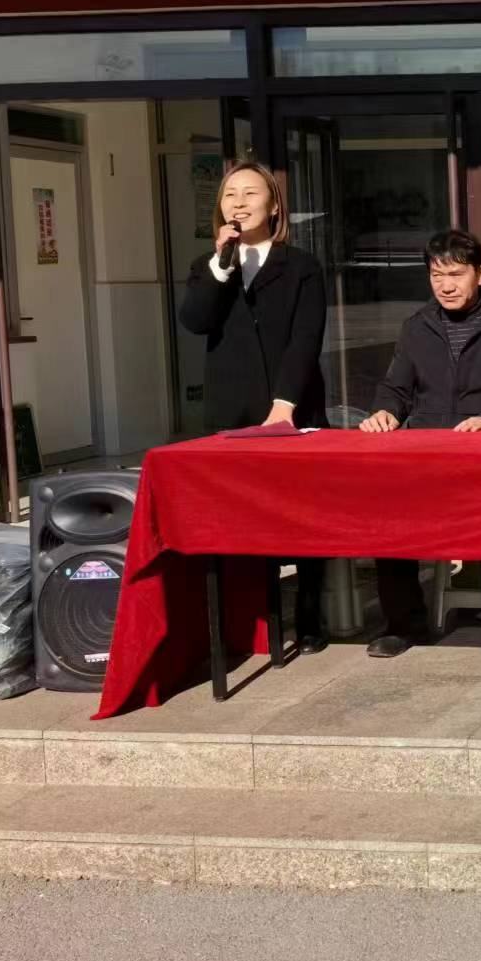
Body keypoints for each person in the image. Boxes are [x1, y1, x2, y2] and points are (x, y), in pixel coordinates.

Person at [358, 230, 481, 659]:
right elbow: (396, 387)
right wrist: (385, 411)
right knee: (387, 519)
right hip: (428, 458)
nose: (445, 285)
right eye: (436, 275)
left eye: (456, 274)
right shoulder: (417, 327)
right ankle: (403, 625)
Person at [178, 161, 329, 653]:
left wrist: (285, 405)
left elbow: (305, 339)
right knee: (246, 516)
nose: (239, 203)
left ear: (274, 205)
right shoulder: (208, 266)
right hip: (233, 410)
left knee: (303, 514)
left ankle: (310, 616)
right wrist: (221, 266)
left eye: (250, 193)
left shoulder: (301, 266)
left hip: (292, 406)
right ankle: (258, 619)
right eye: (230, 195)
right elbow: (196, 321)